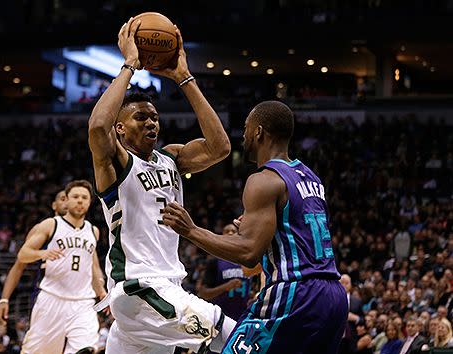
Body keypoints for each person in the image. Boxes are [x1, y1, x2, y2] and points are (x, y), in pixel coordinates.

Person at [87, 17, 232, 353]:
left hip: (162, 290)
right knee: (231, 334)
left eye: (154, 116)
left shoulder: (172, 159)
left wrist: (184, 78)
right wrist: (129, 65)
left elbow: (220, 147)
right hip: (141, 288)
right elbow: (97, 127)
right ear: (120, 129)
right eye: (141, 117)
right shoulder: (116, 163)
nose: (151, 121)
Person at [162, 101, 348, 353]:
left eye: (246, 128)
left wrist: (191, 230)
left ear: (258, 132)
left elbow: (248, 252)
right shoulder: (310, 177)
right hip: (333, 296)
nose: (244, 136)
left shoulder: (264, 180)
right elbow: (285, 244)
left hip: (296, 293)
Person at [16, 180, 106, 354]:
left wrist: (101, 291)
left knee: (86, 348)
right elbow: (23, 254)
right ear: (66, 199)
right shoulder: (51, 225)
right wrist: (41, 254)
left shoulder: (93, 230)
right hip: (52, 298)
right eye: (76, 197)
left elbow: (92, 266)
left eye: (84, 198)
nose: (80, 201)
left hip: (83, 303)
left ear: (89, 202)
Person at [0, 190, 68, 325]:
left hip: (77, 298)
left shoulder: (87, 230)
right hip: (46, 296)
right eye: (63, 199)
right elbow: (18, 266)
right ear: (54, 205)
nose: (67, 202)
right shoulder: (42, 229)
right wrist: (4, 299)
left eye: (70, 199)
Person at [197, 224, 255, 320]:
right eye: (227, 231)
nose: (230, 233)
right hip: (220, 318)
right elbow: (203, 293)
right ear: (222, 236)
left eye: (233, 231)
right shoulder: (214, 261)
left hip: (245, 317)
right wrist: (226, 287)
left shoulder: (248, 260)